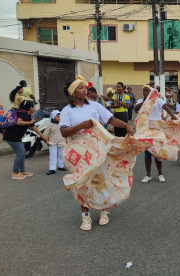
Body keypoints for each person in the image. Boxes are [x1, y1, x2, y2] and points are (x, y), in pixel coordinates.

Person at [59, 76, 134, 231]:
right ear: (73, 92)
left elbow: (111, 119)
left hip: (98, 149)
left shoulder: (94, 106)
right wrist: (82, 125)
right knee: (82, 182)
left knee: (100, 180)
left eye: (85, 87)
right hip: (78, 152)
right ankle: (85, 218)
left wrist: (126, 125)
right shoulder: (67, 111)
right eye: (80, 87)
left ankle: (103, 211)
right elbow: (63, 131)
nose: (85, 90)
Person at [135, 85, 178, 183]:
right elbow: (136, 108)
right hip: (146, 128)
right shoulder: (141, 101)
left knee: (158, 152)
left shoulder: (158, 100)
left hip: (157, 128)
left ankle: (160, 174)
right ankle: (148, 175)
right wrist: (146, 101)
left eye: (147, 91)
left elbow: (165, 107)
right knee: (147, 153)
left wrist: (172, 115)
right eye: (144, 91)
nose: (145, 92)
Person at [3, 100, 48, 180]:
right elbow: (19, 122)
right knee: (20, 153)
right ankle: (15, 173)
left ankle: (22, 171)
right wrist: (30, 122)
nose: (35, 108)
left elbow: (33, 126)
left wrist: (42, 135)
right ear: (30, 107)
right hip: (11, 137)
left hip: (16, 136)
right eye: (34, 106)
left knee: (22, 152)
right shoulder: (23, 113)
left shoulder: (27, 114)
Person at [44, 110, 67, 175]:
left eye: (60, 116)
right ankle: (52, 169)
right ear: (53, 117)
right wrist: (47, 141)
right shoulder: (50, 125)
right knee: (53, 155)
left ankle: (61, 166)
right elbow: (46, 134)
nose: (59, 117)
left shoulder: (62, 124)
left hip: (62, 142)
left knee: (61, 155)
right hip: (52, 142)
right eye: (57, 116)